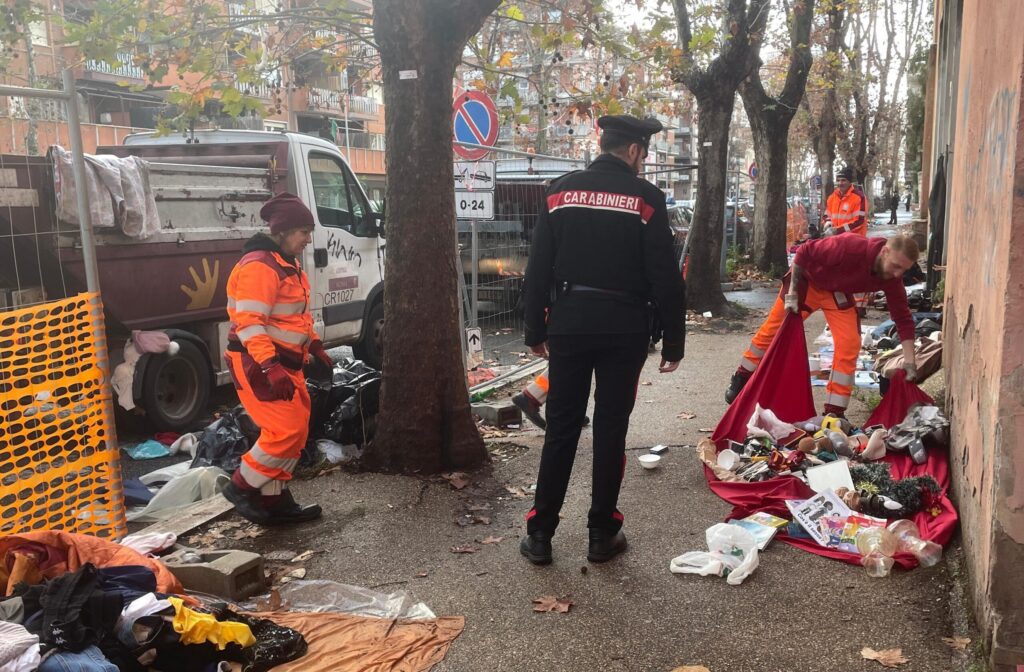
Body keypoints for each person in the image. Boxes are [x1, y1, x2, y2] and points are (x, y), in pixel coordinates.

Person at [518, 114, 686, 566]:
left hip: (569, 323)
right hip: (625, 329)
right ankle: (601, 533)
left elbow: (538, 267)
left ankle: (540, 533)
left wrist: (535, 329)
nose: (644, 162)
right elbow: (665, 276)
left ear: (603, 143)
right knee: (611, 430)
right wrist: (674, 342)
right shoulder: (647, 199)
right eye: (644, 154)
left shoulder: (559, 191)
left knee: (562, 428)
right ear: (633, 150)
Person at [221, 193, 333, 525]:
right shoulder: (259, 267)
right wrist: (270, 366)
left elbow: (292, 316)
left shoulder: (286, 264)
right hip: (259, 363)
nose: (308, 239)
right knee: (283, 432)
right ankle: (241, 487)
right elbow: (250, 323)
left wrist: (313, 345)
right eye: (302, 231)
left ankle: (275, 501)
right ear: (281, 231)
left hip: (283, 362)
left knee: (295, 431)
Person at [724, 234, 921, 418]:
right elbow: (804, 251)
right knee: (773, 330)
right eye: (895, 266)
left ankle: (834, 411)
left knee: (850, 343)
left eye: (903, 270)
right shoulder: (851, 247)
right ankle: (742, 377)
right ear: (885, 252)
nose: (897, 274)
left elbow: (903, 319)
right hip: (807, 283)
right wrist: (793, 293)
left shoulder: (892, 279)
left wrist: (910, 363)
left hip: (837, 292)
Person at [822, 167, 868, 237]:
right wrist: (828, 221)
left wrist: (837, 230)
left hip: (854, 240)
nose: (840, 183)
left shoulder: (859, 197)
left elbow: (859, 221)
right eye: (838, 180)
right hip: (836, 239)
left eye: (843, 180)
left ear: (850, 182)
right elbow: (827, 214)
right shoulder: (832, 197)